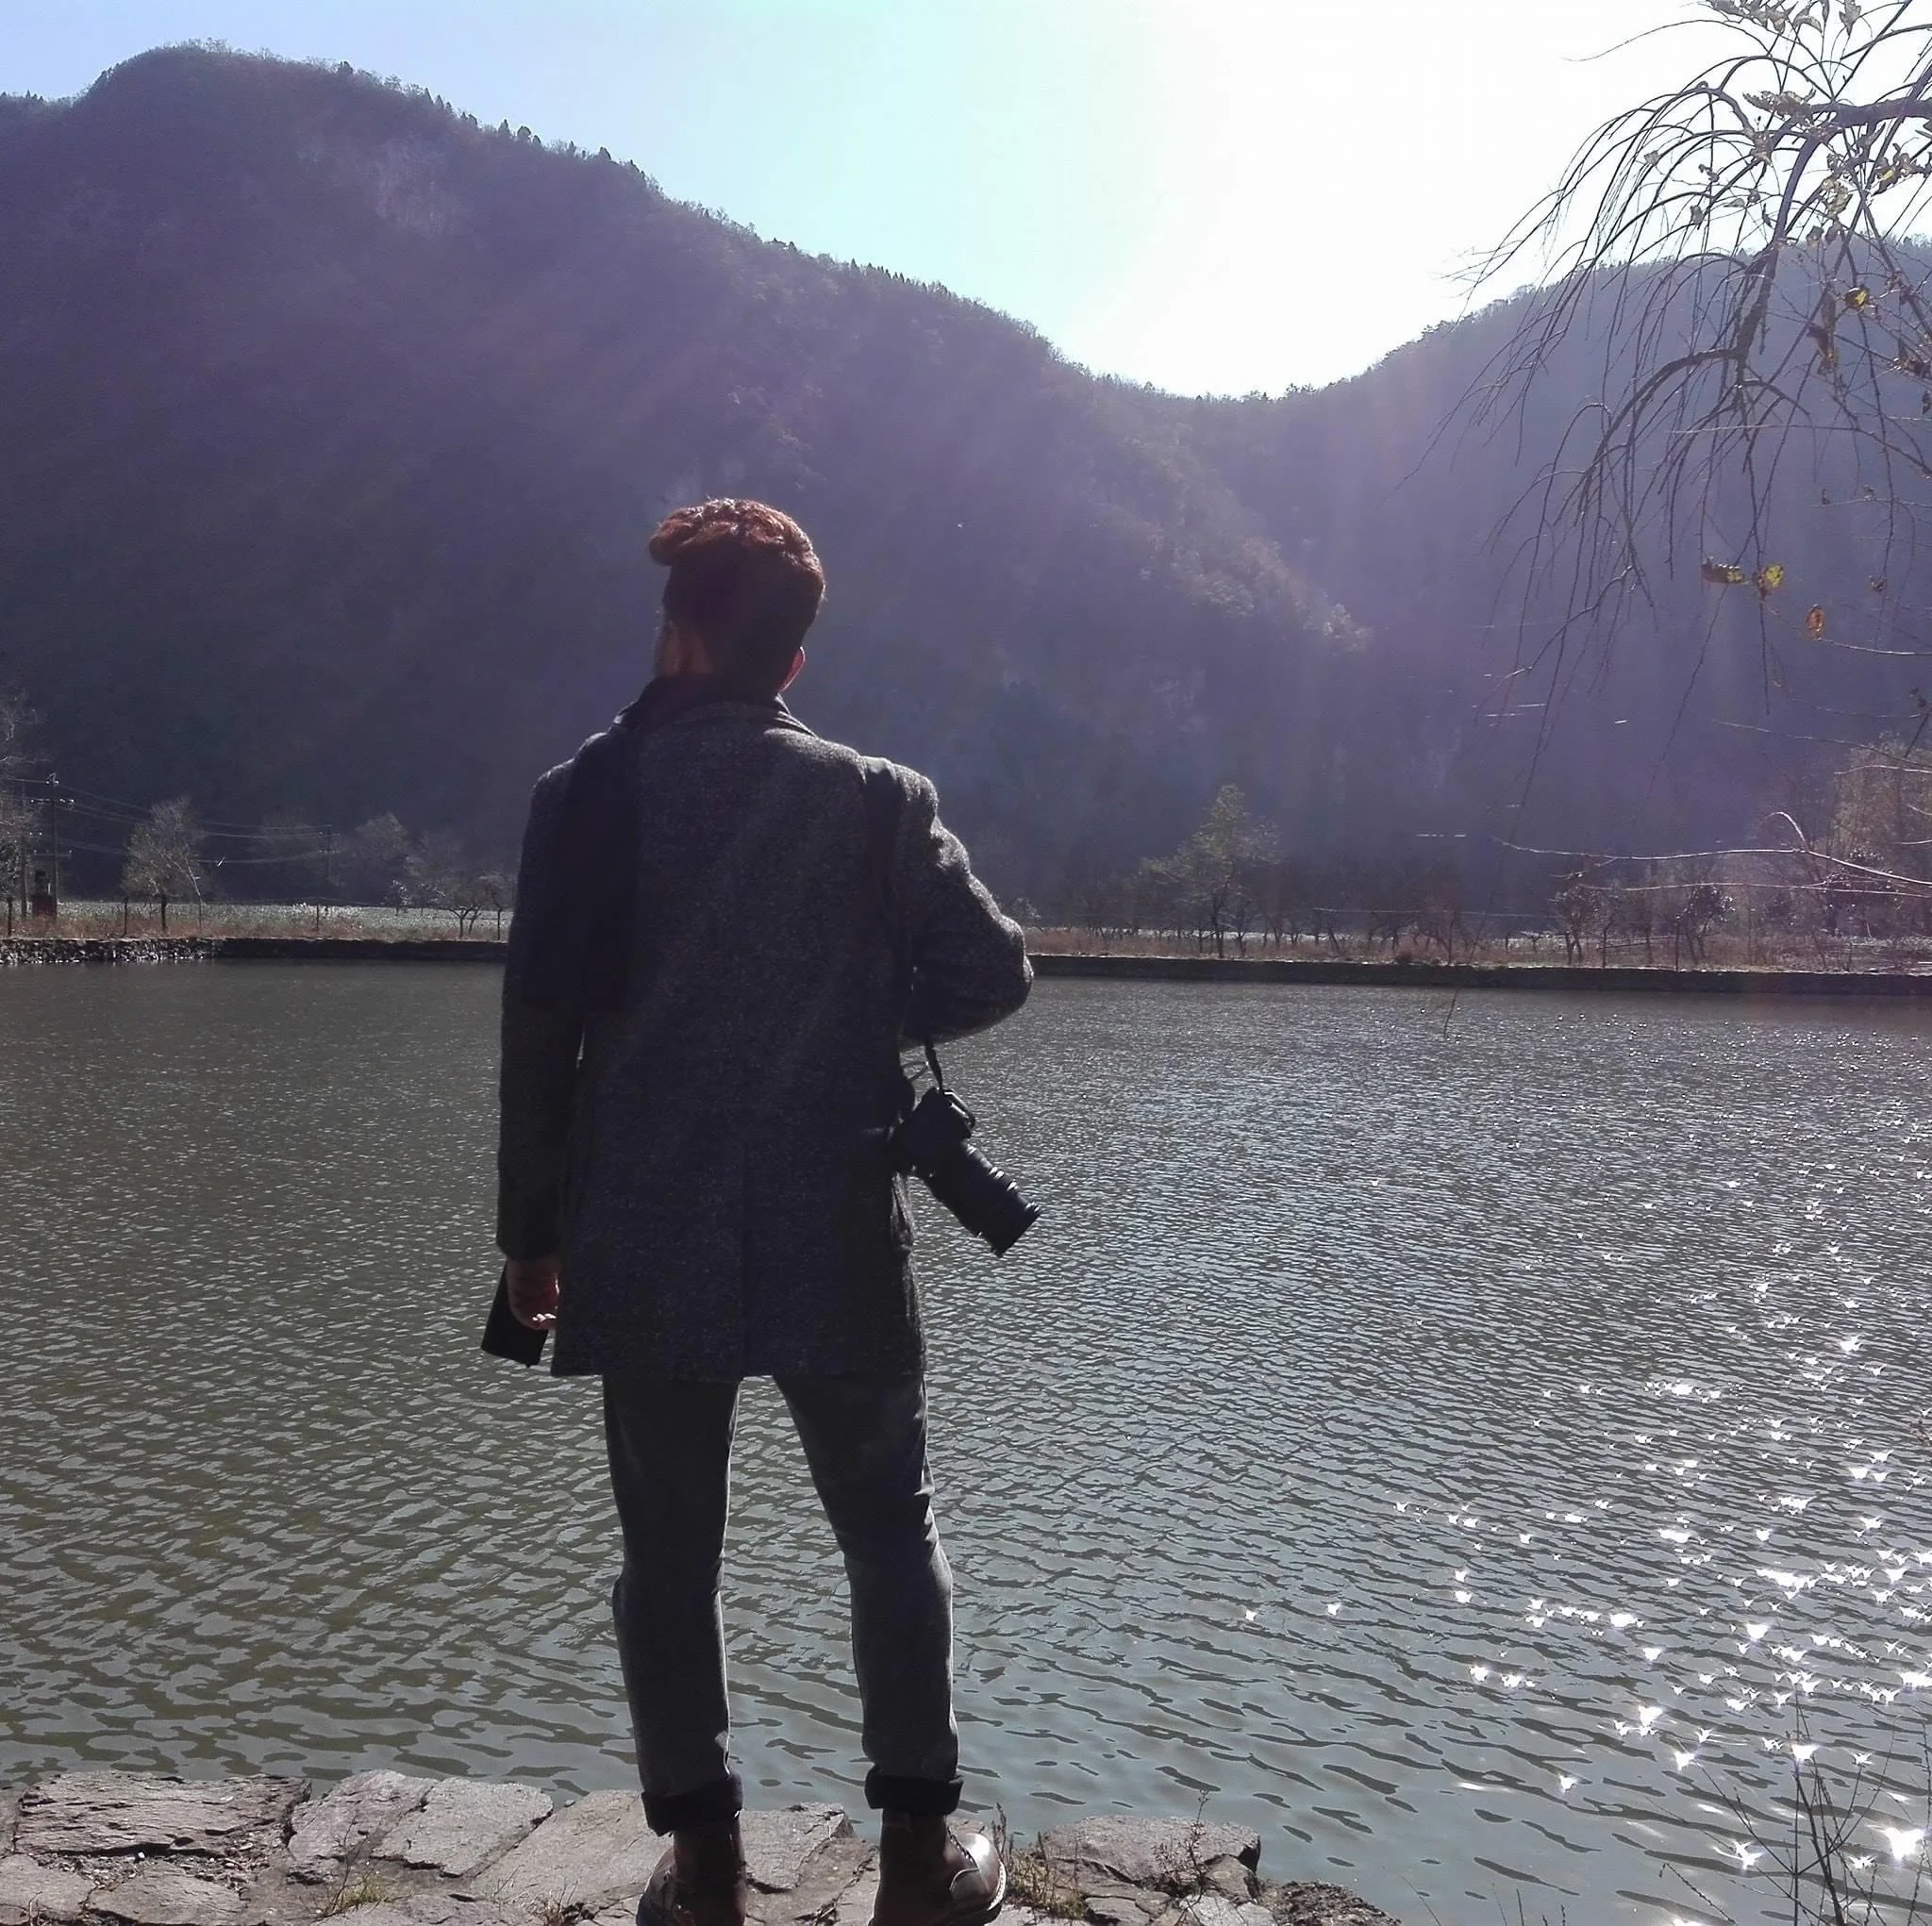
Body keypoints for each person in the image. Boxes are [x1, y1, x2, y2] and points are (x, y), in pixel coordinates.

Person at [494, 499, 1031, 1926]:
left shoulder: (586, 798)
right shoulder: (873, 798)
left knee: (666, 1558)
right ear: (791, 662)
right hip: (835, 1227)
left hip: (642, 1230)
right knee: (888, 1532)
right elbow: (995, 974)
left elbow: (540, 1033)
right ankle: (917, 1865)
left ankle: (710, 1868)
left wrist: (529, 1234)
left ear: (678, 633)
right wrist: (858, 1014)